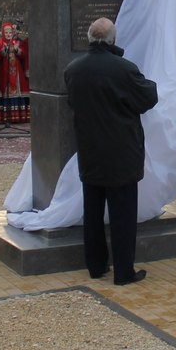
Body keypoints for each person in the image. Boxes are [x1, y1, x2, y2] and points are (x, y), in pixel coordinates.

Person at [65, 18, 159, 284]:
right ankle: (123, 271)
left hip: (90, 149)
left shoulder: (73, 69)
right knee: (123, 215)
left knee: (93, 212)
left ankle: (95, 266)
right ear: (114, 40)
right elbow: (148, 98)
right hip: (121, 151)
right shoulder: (125, 69)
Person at [0, 22, 30, 123]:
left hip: (17, 71)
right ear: (2, 33)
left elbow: (23, 55)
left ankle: (19, 116)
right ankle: (8, 117)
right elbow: (0, 54)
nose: (8, 34)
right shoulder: (0, 42)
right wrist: (7, 47)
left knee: (17, 90)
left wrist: (17, 50)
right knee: (8, 91)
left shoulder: (17, 42)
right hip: (5, 70)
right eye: (6, 32)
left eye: (10, 32)